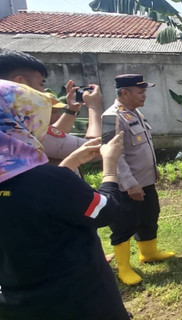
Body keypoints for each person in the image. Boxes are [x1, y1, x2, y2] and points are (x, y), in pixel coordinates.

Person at [0, 80, 130, 320]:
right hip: (78, 301)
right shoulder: (46, 180)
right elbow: (106, 211)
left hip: (18, 305)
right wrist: (109, 166)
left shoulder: (32, 180)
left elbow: (36, 201)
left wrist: (71, 162)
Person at [103, 74, 174, 286]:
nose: (144, 95)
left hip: (145, 180)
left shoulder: (134, 113)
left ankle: (149, 253)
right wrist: (130, 183)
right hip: (127, 185)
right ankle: (124, 267)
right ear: (125, 92)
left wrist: (153, 170)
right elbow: (114, 155)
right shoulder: (111, 117)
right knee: (125, 223)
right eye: (140, 91)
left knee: (150, 215)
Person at [0, 49, 104, 166]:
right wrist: (94, 107)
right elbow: (94, 149)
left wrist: (72, 109)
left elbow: (52, 138)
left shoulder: (8, 124)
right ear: (20, 83)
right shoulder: (20, 128)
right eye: (41, 84)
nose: (43, 91)